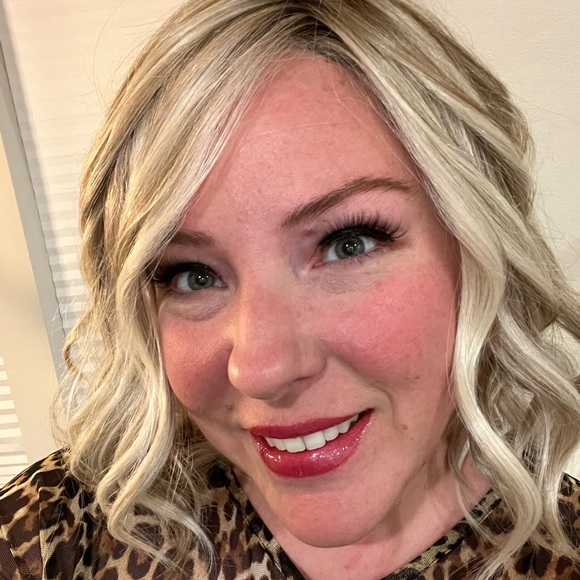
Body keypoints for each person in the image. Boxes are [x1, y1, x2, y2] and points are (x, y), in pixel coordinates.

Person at [1, 0, 580, 578]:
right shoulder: (58, 534)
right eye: (192, 275)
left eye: (347, 243)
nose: (260, 370)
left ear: (478, 246)